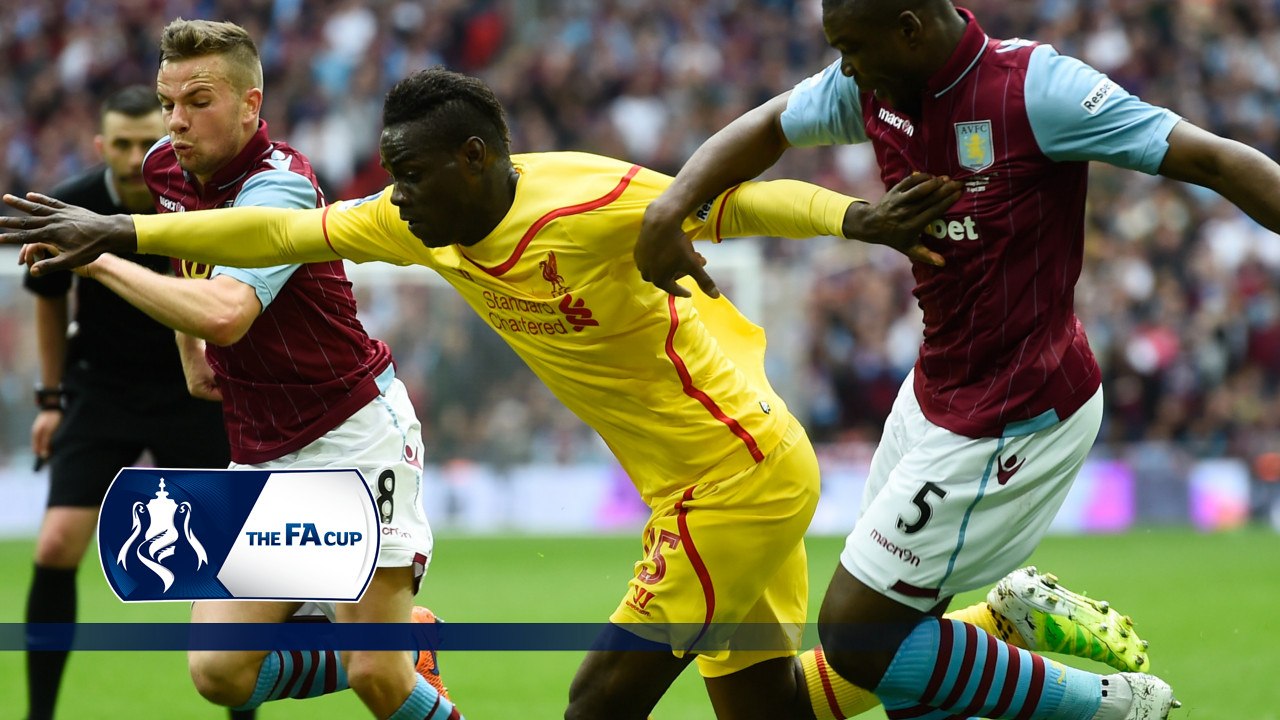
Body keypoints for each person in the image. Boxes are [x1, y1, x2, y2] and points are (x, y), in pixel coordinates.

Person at [0, 67, 1158, 720]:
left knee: (597, 701)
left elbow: (749, 204)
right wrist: (125, 227)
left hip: (736, 478)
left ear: (471, 161)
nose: (390, 199)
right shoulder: (425, 223)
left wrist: (855, 217)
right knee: (777, 713)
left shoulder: (590, 198)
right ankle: (1002, 638)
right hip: (692, 480)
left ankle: (1095, 706)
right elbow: (283, 226)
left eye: (409, 175)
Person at [631, 0, 1280, 716]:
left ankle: (1112, 707)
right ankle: (1008, 614)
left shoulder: (1037, 91)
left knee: (855, 636)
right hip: (934, 394)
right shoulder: (870, 88)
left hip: (1018, 414)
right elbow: (769, 125)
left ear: (909, 29)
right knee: (881, 671)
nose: (845, 67)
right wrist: (673, 204)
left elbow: (1215, 158)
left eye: (852, 48)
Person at [21, 20, 453, 720]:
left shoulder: (279, 189)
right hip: (262, 448)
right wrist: (191, 356)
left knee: (381, 679)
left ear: (251, 105)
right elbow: (188, 260)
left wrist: (97, 257)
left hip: (349, 435)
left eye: (199, 100)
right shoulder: (165, 168)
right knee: (219, 671)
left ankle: (398, 655)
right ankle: (409, 642)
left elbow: (226, 311)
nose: (177, 121)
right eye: (169, 102)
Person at [19, 85, 234, 720]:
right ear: (101, 145)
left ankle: (242, 710)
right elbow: (50, 303)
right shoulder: (74, 204)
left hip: (192, 391)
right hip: (102, 389)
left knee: (224, 563)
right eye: (122, 143)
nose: (135, 153)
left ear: (166, 143)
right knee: (56, 544)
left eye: (149, 142)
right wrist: (51, 399)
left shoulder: (199, 200)